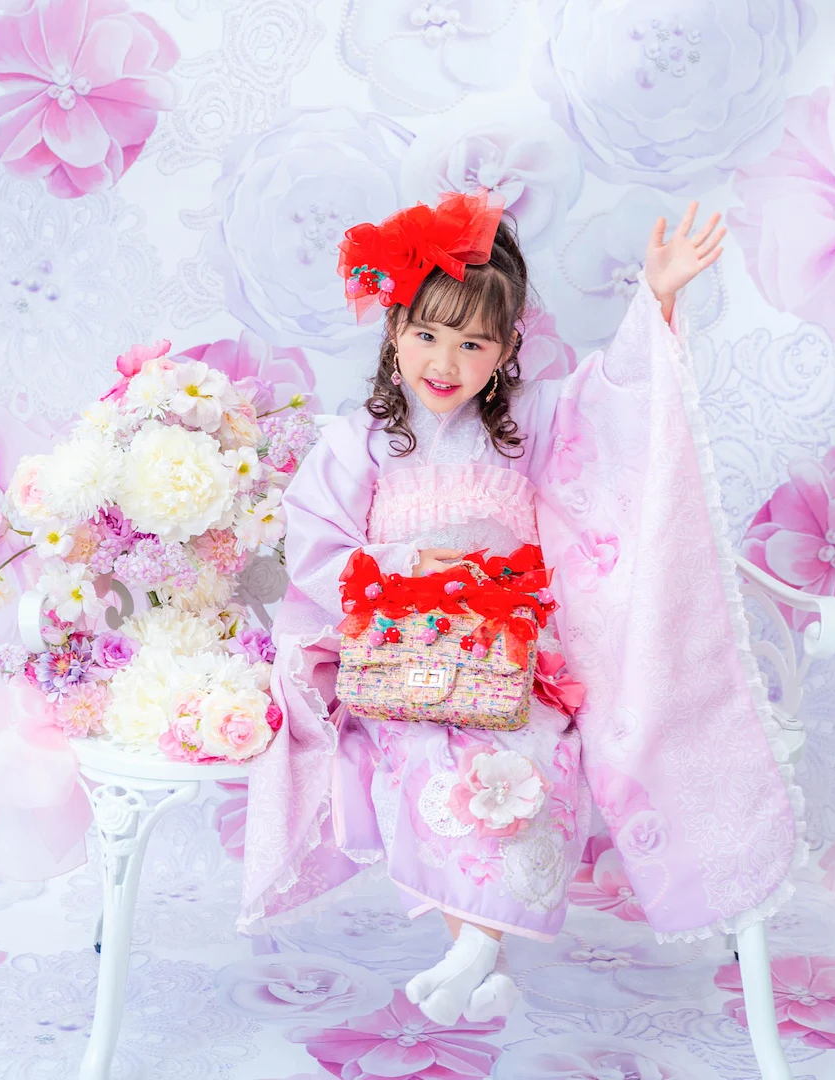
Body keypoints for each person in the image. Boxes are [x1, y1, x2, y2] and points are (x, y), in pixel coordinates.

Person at [239, 188, 802, 1027]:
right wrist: (404, 563)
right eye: (426, 335)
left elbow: (616, 409)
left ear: (506, 350)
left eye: (473, 343)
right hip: (402, 661)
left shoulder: (531, 423)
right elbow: (317, 548)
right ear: (393, 331)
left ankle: (477, 952)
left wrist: (655, 300)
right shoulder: (361, 442)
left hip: (509, 661)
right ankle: (479, 951)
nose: (444, 362)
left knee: (530, 755)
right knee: (430, 754)